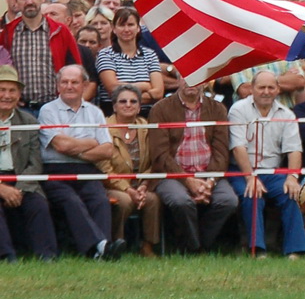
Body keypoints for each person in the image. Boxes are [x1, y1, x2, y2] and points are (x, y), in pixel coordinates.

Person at [38, 64, 123, 259]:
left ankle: (101, 249)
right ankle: (101, 247)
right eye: (65, 82)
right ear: (57, 85)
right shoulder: (47, 111)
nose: (69, 86)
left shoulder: (95, 112)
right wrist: (91, 142)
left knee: (100, 199)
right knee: (71, 200)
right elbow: (60, 146)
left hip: (87, 169)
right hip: (55, 171)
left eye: (74, 82)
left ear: (84, 85)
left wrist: (77, 150)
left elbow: (107, 150)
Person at [147, 73, 239, 253]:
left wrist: (209, 182)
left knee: (228, 201)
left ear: (206, 83)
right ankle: (194, 248)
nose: (191, 83)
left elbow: (221, 153)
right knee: (181, 201)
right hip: (172, 175)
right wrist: (188, 180)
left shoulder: (218, 109)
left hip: (208, 174)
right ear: (178, 80)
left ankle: (199, 243)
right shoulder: (160, 109)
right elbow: (161, 155)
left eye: (197, 78)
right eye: (186, 77)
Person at [228, 71, 305, 257]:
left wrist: (292, 177)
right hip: (242, 170)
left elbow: (294, 149)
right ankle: (257, 250)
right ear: (252, 89)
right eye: (261, 87)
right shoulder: (238, 109)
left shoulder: (287, 114)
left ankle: (295, 251)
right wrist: (250, 178)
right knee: (252, 194)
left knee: (291, 193)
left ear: (278, 90)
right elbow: (238, 147)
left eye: (271, 87)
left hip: (273, 171)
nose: (266, 92)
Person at [0, 0, 82, 114]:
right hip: (19, 109)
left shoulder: (61, 31)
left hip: (55, 107)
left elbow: (76, 68)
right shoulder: (8, 33)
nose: (29, 2)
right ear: (16, 2)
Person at [0, 64, 56, 260]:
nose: (6, 95)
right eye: (2, 90)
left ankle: (46, 256)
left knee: (38, 204)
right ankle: (7, 256)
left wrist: (19, 188)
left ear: (19, 94)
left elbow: (35, 163)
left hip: (21, 179)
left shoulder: (29, 121)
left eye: (12, 90)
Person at [99, 84, 163, 251]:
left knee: (153, 199)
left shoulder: (147, 127)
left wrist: (143, 186)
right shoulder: (104, 128)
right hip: (112, 186)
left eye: (133, 101)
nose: (128, 105)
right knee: (125, 201)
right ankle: (116, 243)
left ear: (139, 106)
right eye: (123, 101)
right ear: (114, 106)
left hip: (141, 185)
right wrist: (128, 190)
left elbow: (154, 163)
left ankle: (147, 246)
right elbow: (104, 167)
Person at [97, 5, 164, 107]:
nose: (126, 29)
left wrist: (125, 95)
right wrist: (145, 86)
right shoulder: (105, 55)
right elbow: (113, 88)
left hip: (146, 113)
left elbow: (158, 92)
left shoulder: (150, 55)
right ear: (114, 29)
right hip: (114, 114)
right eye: (122, 25)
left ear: (138, 28)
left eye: (131, 25)